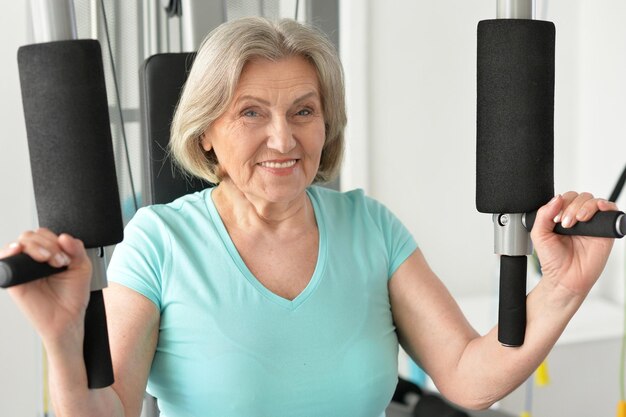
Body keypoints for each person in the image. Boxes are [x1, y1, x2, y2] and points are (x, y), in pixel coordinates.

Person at [1, 16, 619, 417]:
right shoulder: (159, 241)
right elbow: (109, 409)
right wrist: (61, 341)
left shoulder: (371, 228)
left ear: (327, 123)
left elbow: (468, 377)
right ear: (207, 132)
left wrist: (564, 286)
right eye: (250, 113)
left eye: (303, 111)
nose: (283, 138)